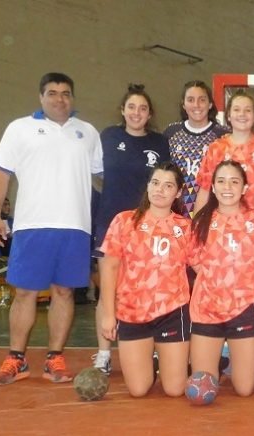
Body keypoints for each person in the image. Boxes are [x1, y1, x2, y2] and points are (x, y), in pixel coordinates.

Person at [0, 72, 103, 386]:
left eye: (66, 93)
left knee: (64, 292)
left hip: (75, 228)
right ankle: (16, 358)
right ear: (41, 97)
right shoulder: (19, 129)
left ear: (73, 98)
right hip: (32, 226)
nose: (59, 99)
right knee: (24, 293)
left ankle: (55, 358)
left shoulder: (88, 133)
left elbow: (103, 177)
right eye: (52, 93)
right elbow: (1, 174)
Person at [92, 84, 170, 375]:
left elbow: (165, 180)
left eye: (143, 108)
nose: (137, 113)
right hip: (111, 222)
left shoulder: (160, 143)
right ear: (122, 110)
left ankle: (155, 352)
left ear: (149, 114)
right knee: (108, 290)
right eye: (132, 107)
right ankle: (103, 353)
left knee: (150, 287)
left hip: (147, 226)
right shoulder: (108, 137)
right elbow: (97, 176)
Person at [99, 162, 191, 397]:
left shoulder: (186, 227)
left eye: (168, 185)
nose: (160, 190)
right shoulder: (124, 221)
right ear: (148, 186)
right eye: (155, 183)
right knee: (139, 390)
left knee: (174, 390)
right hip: (132, 312)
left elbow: (204, 266)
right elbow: (109, 267)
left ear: (178, 192)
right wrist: (109, 315)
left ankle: (170, 362)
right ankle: (152, 360)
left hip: (173, 311)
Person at [189, 160, 254, 397]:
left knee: (244, 389)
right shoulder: (201, 221)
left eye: (234, 181)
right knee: (202, 387)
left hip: (244, 308)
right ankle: (218, 361)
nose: (227, 186)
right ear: (212, 186)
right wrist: (218, 282)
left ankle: (230, 360)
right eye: (221, 181)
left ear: (244, 188)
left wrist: (244, 275)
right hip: (207, 309)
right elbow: (196, 263)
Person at [194, 90, 254, 212]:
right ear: (228, 116)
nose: (242, 114)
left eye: (248, 110)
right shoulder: (216, 148)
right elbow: (205, 191)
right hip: (223, 226)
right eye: (237, 109)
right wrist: (196, 225)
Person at [164, 80, 228, 217]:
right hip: (176, 213)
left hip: (212, 213)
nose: (196, 105)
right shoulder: (171, 132)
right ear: (183, 104)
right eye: (191, 100)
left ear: (210, 104)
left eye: (202, 100)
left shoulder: (223, 135)